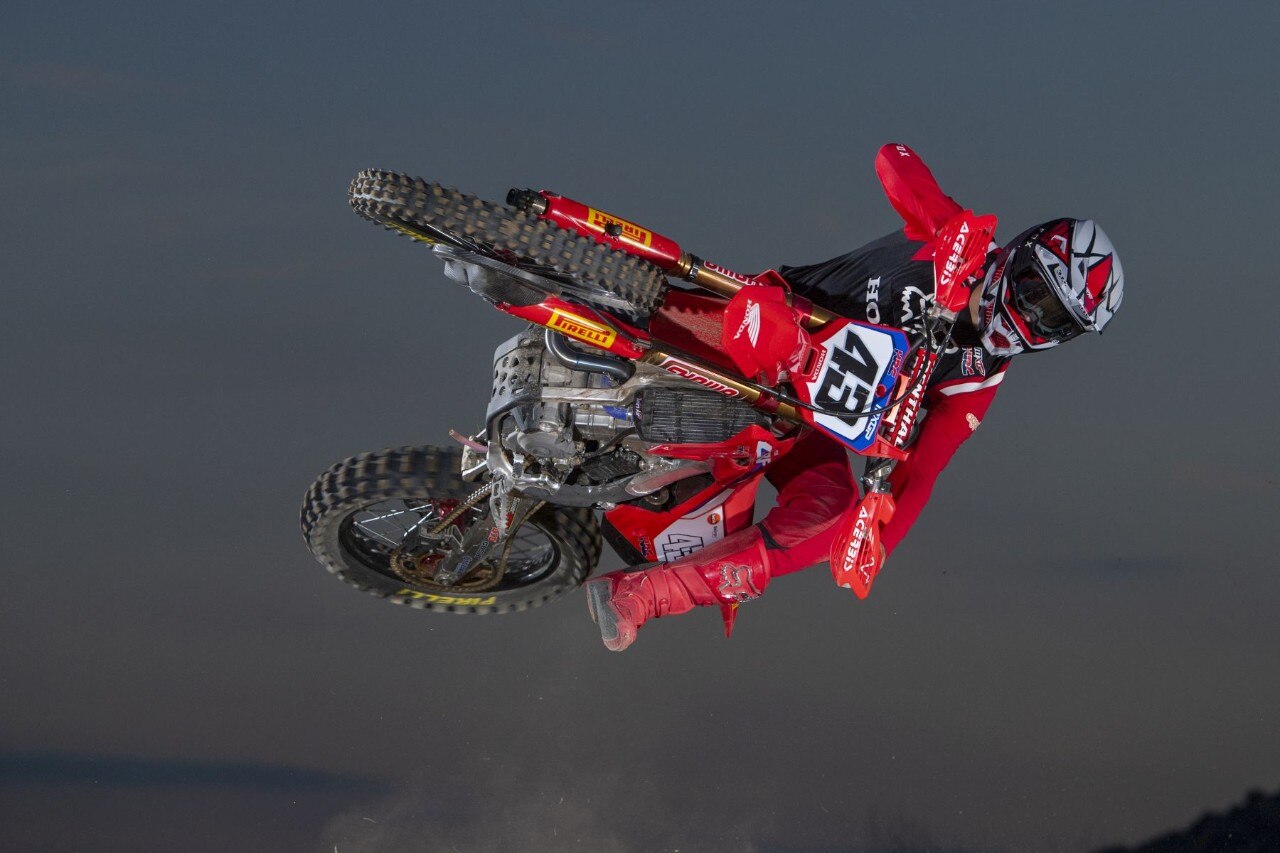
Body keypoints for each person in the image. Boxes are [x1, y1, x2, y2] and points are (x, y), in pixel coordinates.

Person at [585, 143, 1125, 651]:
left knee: (833, 515)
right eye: (1034, 291)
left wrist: (876, 542)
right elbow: (893, 159)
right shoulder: (958, 244)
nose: (1031, 317)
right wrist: (943, 220)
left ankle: (648, 594)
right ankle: (572, 262)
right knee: (680, 312)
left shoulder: (977, 379)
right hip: (761, 324)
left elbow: (920, 476)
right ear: (1019, 255)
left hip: (797, 417)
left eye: (1054, 321)